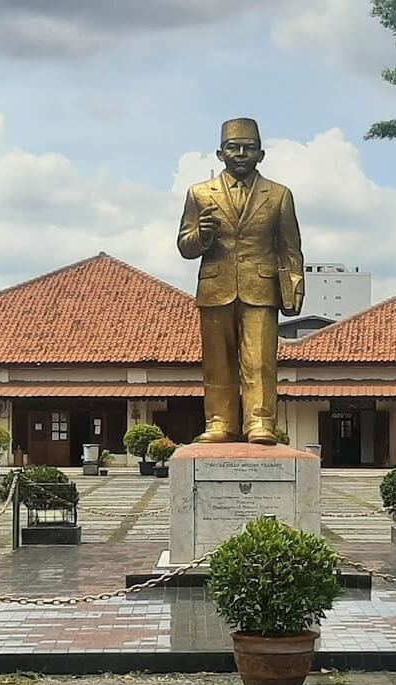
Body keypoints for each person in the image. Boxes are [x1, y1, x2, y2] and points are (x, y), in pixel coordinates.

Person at [176, 117, 305, 444]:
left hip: (261, 287)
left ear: (261, 155)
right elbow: (185, 245)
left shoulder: (279, 195)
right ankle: (220, 421)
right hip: (216, 285)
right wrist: (202, 235)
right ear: (220, 154)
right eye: (234, 148)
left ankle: (260, 422)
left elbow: (290, 247)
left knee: (260, 361)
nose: (241, 154)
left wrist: (293, 287)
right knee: (217, 361)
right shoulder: (200, 194)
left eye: (249, 149)